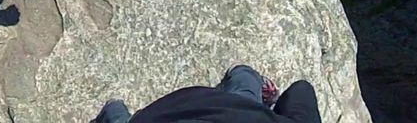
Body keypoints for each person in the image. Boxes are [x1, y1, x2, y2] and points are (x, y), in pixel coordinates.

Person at [92, 65, 322, 123]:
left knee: (245, 83)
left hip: (206, 105)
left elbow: (301, 90)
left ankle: (248, 78)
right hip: (193, 108)